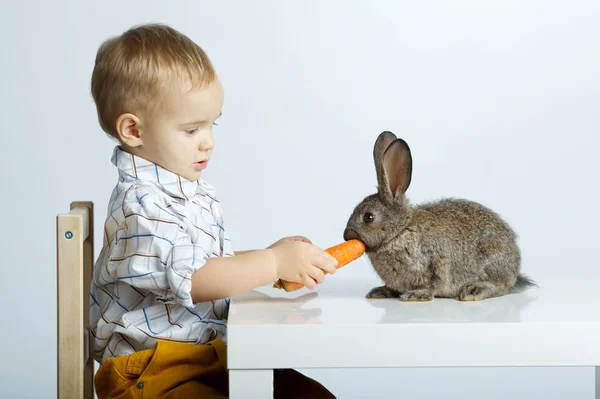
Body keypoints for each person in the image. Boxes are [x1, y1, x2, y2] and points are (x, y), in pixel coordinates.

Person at [89, 23, 338, 398]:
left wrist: (270, 259)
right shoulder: (141, 204)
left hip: (206, 355)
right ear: (133, 131)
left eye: (211, 125)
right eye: (191, 130)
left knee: (308, 394)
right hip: (153, 371)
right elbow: (194, 279)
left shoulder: (183, 190)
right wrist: (271, 262)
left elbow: (202, 265)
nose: (208, 142)